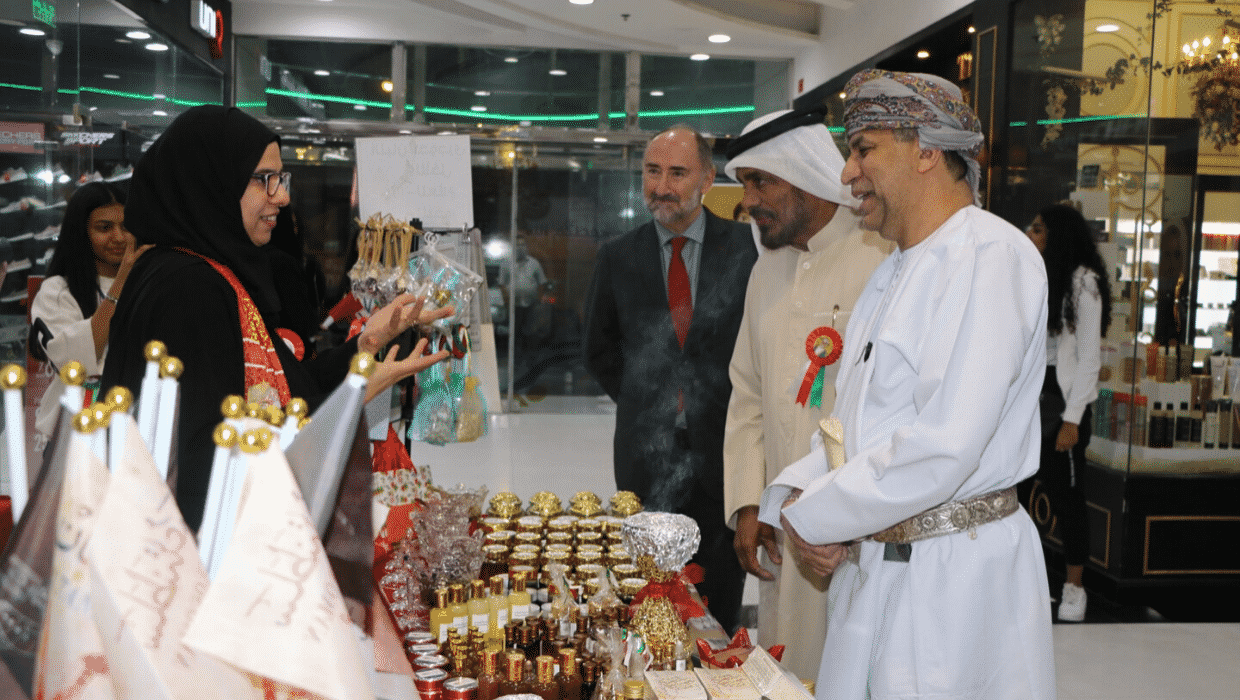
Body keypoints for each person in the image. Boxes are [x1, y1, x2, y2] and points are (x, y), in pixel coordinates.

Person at [757, 70, 1056, 698]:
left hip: (954, 581)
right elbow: (855, 431)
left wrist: (821, 514)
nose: (846, 173)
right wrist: (795, 500)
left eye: (864, 148)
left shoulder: (991, 257)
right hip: (880, 568)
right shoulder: (892, 270)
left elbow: (944, 443)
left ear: (927, 150)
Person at [101, 105, 450, 532]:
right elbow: (215, 450)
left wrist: (363, 348)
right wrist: (352, 398)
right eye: (264, 180)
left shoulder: (205, 273)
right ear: (213, 183)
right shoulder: (188, 287)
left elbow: (282, 390)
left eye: (280, 179)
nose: (282, 196)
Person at [721, 106, 891, 680]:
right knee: (789, 667)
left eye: (760, 181)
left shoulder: (880, 256)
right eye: (744, 184)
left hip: (860, 529)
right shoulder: (764, 271)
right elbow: (746, 395)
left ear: (808, 176)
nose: (749, 201)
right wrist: (749, 501)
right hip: (784, 531)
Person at [583, 125, 756, 633]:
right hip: (644, 460)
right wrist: (653, 401)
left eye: (676, 172)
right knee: (649, 603)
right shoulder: (617, 256)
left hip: (724, 460)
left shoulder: (748, 250)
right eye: (652, 171)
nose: (661, 186)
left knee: (717, 606)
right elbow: (599, 349)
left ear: (706, 179)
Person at [1023, 203, 1112, 622]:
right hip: (1030, 397)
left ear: (1057, 235)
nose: (1030, 233)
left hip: (1064, 401)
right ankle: (1023, 583)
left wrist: (1073, 418)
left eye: (1038, 229)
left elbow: (1090, 359)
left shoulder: (1085, 284)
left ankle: (1075, 588)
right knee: (1016, 495)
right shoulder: (1038, 275)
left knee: (1068, 500)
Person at [29, 181, 152, 450]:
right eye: (104, 228)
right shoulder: (57, 291)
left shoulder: (153, 286)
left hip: (140, 431)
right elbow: (77, 364)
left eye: (126, 226)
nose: (119, 237)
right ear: (81, 233)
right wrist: (122, 281)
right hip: (75, 434)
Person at [497, 233, 549, 354]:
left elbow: (542, 282)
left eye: (522, 244)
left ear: (526, 246)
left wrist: (539, 301)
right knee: (514, 331)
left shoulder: (534, 263)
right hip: (513, 305)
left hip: (531, 304)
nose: (520, 247)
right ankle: (515, 355)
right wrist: (506, 300)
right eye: (517, 245)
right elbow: (501, 284)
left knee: (530, 331)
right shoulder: (506, 263)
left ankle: (528, 356)